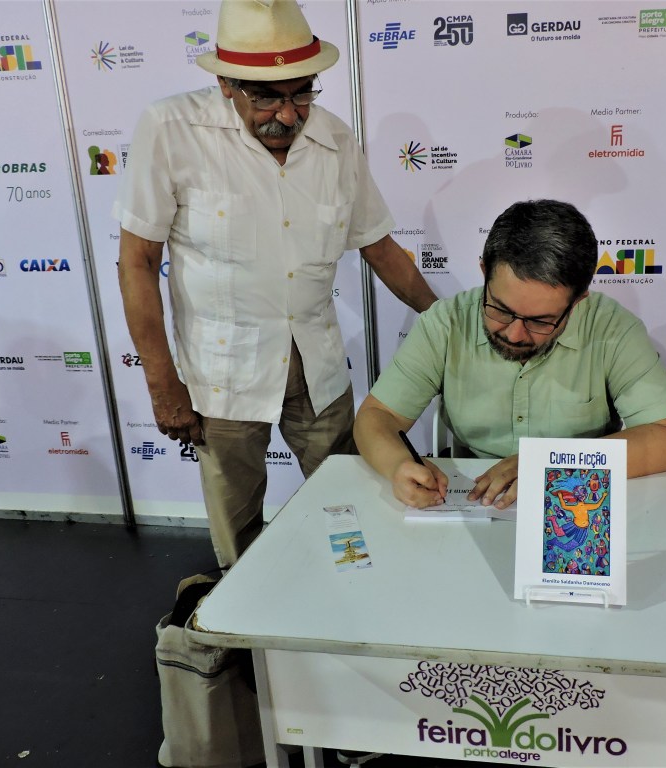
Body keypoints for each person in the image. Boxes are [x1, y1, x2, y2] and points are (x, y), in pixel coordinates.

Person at [115, 0, 437, 568]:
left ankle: (353, 600)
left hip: (319, 368)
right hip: (222, 374)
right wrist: (163, 385)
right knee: (237, 529)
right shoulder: (171, 130)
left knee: (350, 505)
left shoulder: (335, 140)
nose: (288, 116)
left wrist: (447, 324)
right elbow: (137, 261)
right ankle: (246, 618)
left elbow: (379, 247)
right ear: (226, 85)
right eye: (266, 97)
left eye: (302, 93)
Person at [354, 199, 666, 509]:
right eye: (500, 310)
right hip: (472, 499)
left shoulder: (612, 329)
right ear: (484, 272)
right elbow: (377, 416)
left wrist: (551, 464)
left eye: (540, 321)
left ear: (578, 301)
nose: (514, 334)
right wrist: (398, 465)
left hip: (574, 502)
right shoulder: (446, 323)